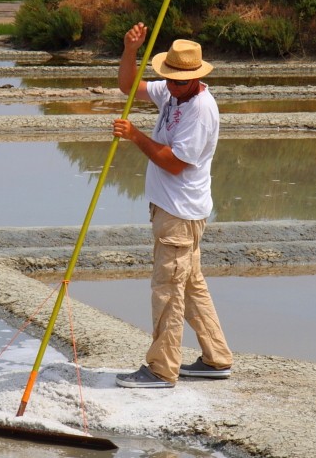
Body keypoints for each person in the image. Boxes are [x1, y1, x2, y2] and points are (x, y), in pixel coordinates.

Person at [112, 22, 234, 389]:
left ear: (196, 78)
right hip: (175, 212)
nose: (172, 86)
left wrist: (135, 136)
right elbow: (128, 86)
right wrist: (131, 50)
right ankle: (217, 359)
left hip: (180, 215)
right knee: (191, 285)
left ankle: (162, 369)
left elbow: (175, 162)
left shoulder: (200, 110)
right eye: (170, 79)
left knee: (167, 289)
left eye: (180, 81)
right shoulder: (172, 93)